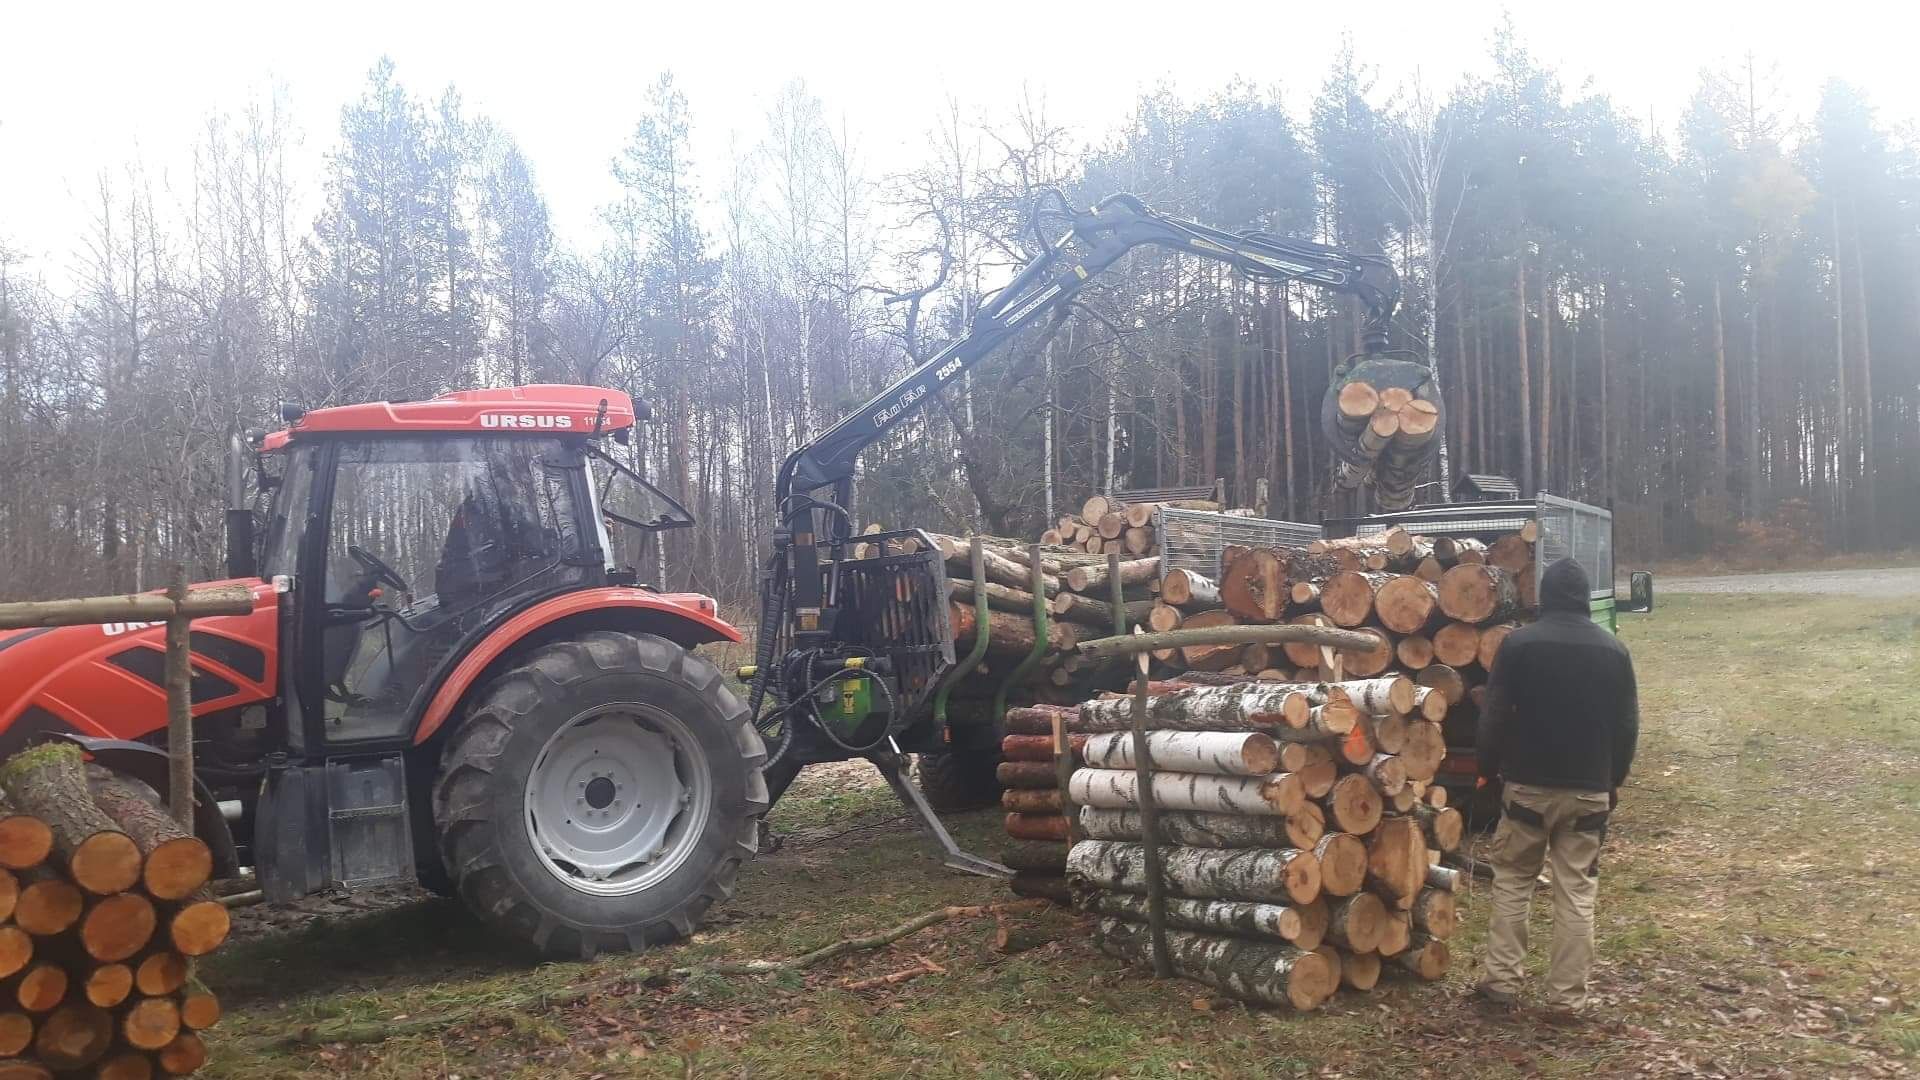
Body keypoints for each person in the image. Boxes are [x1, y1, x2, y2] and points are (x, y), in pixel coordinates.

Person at [1474, 557, 1639, 1014]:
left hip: (1526, 787)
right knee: (1577, 892)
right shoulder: (1614, 651)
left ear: (1543, 597)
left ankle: (1500, 985)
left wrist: (1487, 769)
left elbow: (1492, 717)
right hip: (1588, 789)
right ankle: (1567, 999)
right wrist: (1614, 781)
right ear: (1586, 599)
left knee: (1512, 882)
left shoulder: (1518, 645)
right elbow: (1627, 727)